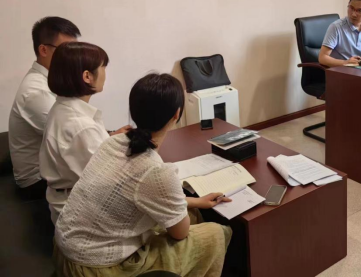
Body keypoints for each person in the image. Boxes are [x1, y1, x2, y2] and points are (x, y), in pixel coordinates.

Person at [53, 73, 232, 277]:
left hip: (66, 250)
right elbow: (180, 233)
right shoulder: (155, 171)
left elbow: (146, 194)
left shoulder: (113, 142)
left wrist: (197, 202)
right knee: (215, 234)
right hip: (95, 268)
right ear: (177, 114)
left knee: (191, 213)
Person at [39, 42, 131, 224]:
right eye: (103, 67)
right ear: (87, 76)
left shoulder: (62, 108)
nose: (105, 73)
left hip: (69, 200)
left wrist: (109, 138)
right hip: (84, 212)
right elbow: (111, 180)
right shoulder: (81, 126)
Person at [8, 17, 81, 200]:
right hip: (37, 181)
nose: (74, 58)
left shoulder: (51, 81)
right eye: (67, 50)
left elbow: (76, 125)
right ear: (43, 50)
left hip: (55, 166)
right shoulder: (36, 92)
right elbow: (69, 141)